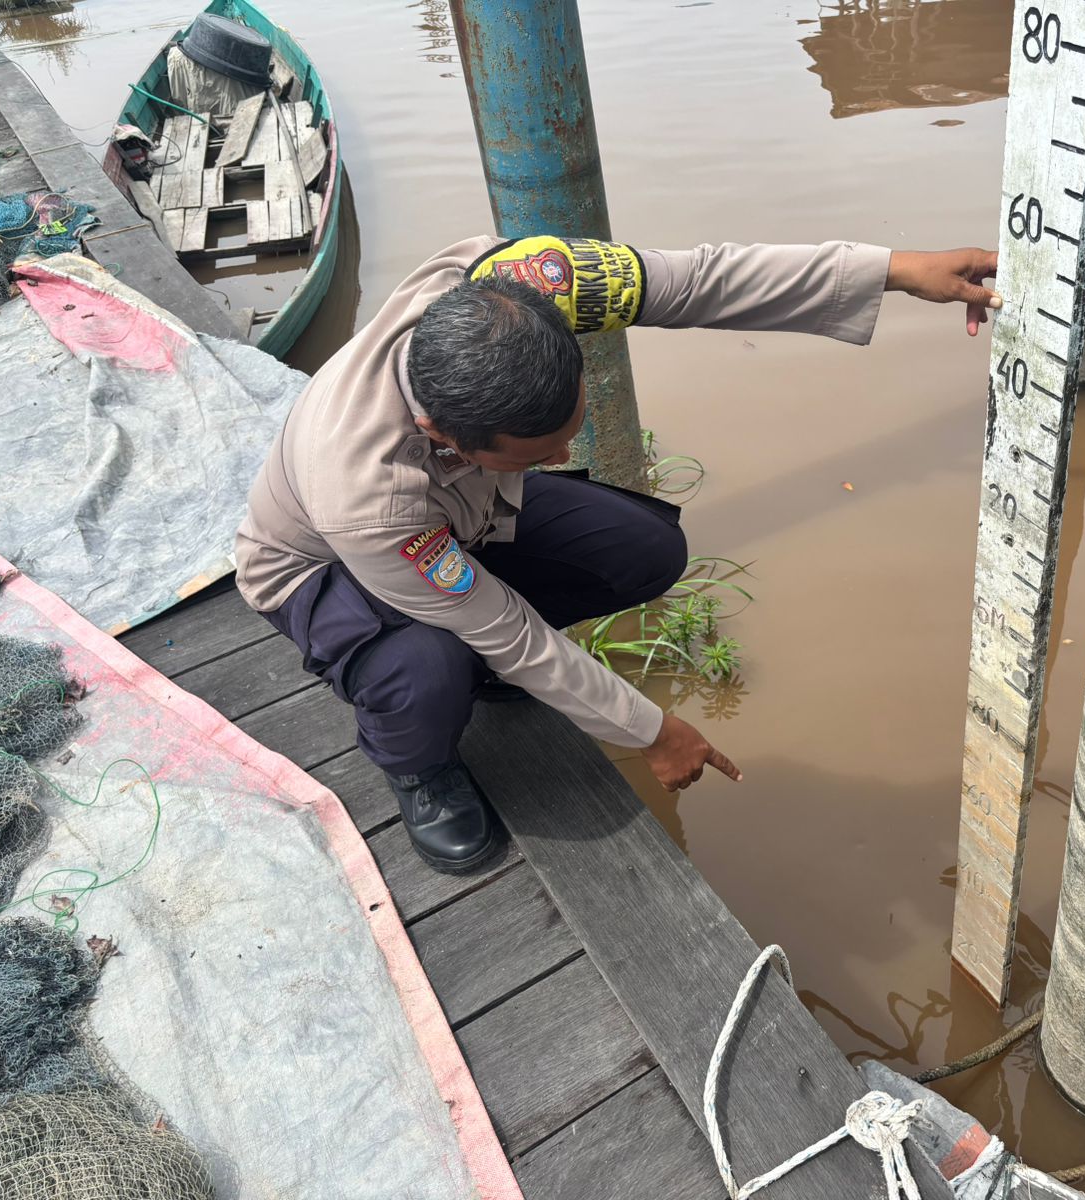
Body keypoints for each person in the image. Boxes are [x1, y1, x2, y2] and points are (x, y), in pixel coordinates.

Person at [235, 236, 999, 874]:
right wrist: (653, 731)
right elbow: (511, 632)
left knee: (644, 549)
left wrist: (895, 269)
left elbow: (697, 280)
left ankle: (481, 676)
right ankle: (417, 767)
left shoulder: (518, 284)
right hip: (322, 569)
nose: (565, 459)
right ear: (445, 436)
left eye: (566, 434)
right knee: (428, 665)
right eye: (541, 454)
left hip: (460, 517)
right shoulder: (366, 494)